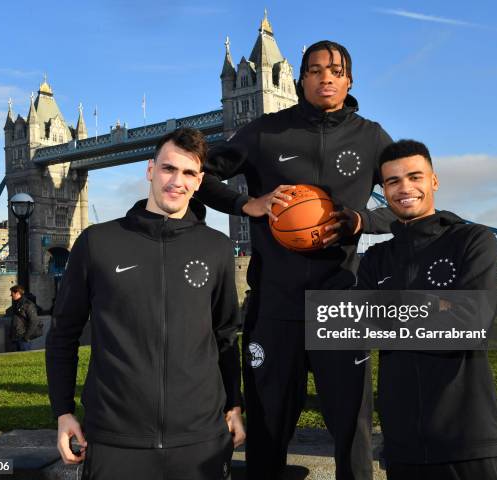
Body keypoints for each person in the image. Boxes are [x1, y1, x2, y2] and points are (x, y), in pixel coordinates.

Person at [195, 40, 394, 479]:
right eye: (316, 69)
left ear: (349, 80)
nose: (327, 77)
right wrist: (245, 204)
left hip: (341, 301)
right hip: (274, 303)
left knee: (352, 429)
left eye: (336, 70)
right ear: (299, 79)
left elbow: (406, 200)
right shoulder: (264, 131)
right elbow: (199, 174)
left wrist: (364, 220)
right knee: (268, 425)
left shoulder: (372, 136)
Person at [45, 127, 245, 480]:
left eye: (188, 173)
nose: (177, 181)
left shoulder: (216, 247)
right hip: (115, 439)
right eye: (169, 169)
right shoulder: (97, 242)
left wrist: (233, 403)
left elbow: (225, 334)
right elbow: (63, 335)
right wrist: (62, 411)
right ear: (151, 171)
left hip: (199, 439)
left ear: (199, 181)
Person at [356, 139, 497, 480]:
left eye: (415, 177)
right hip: (402, 444)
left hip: (469, 438)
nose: (404, 188)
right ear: (384, 189)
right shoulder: (376, 258)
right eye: (393, 182)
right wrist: (440, 306)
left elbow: (470, 325)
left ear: (434, 181)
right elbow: (356, 327)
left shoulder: (473, 240)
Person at [8, 285, 40, 351]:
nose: (10, 295)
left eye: (12, 293)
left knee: (25, 356)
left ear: (17, 293)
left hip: (23, 338)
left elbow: (34, 321)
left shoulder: (28, 304)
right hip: (15, 337)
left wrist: (26, 337)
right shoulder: (16, 304)